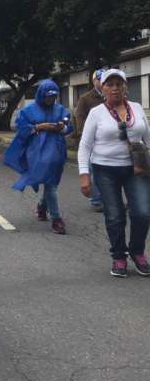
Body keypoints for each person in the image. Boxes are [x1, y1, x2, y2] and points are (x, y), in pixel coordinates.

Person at [78, 69, 150, 278]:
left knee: (143, 213)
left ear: (125, 87)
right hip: (105, 169)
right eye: (110, 84)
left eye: (119, 84)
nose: (115, 88)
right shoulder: (96, 113)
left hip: (135, 169)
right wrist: (84, 176)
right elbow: (85, 145)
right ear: (103, 88)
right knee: (115, 215)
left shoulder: (136, 108)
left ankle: (137, 252)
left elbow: (147, 139)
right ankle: (118, 256)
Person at [4, 80, 73, 235]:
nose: (51, 99)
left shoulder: (60, 109)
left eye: (54, 96)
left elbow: (69, 127)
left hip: (57, 152)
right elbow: (21, 129)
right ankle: (57, 219)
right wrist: (40, 127)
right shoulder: (29, 111)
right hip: (37, 153)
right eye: (48, 96)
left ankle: (42, 206)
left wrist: (62, 127)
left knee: (51, 182)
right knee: (50, 184)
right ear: (41, 94)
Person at [75, 69, 107, 212]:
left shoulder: (112, 96)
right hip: (92, 141)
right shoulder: (86, 98)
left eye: (104, 79)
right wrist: (83, 133)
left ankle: (109, 199)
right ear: (94, 81)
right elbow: (80, 117)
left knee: (108, 172)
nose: (102, 82)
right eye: (99, 79)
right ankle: (96, 200)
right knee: (94, 170)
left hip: (109, 141)